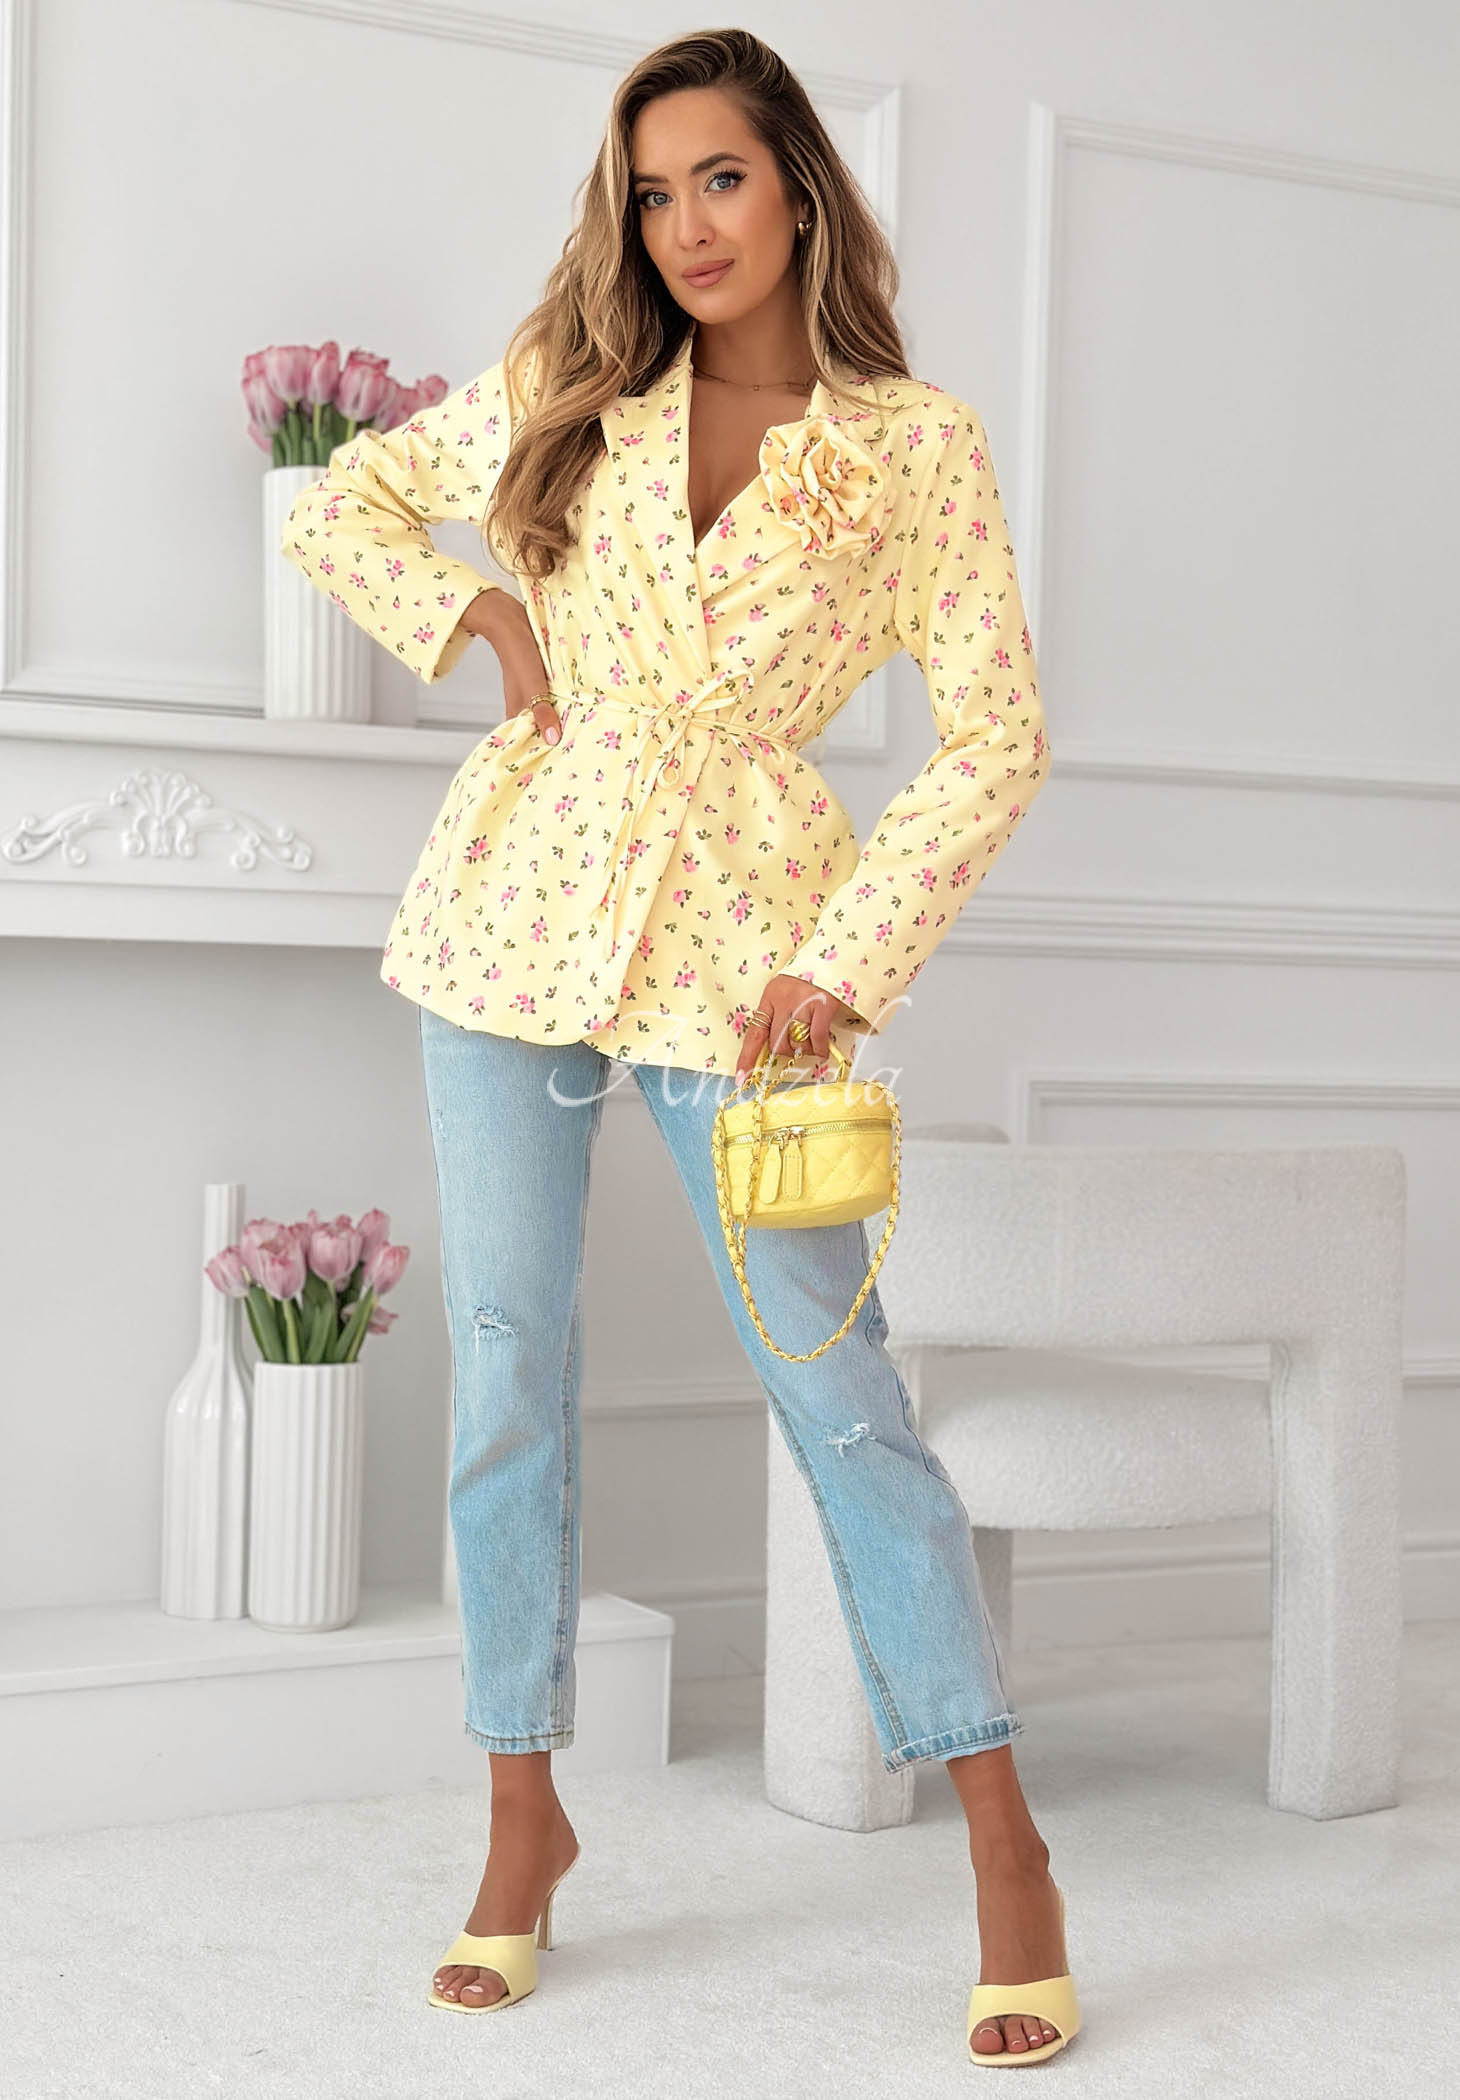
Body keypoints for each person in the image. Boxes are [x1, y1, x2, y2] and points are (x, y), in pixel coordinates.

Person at [280, 26, 1074, 2067]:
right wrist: (479, 623)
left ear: (795, 182)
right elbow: (346, 503)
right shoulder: (578, 388)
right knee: (508, 1372)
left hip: (753, 957)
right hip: (511, 924)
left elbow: (995, 738)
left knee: (837, 1388)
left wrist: (847, 958)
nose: (686, 225)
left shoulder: (913, 446)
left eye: (718, 177)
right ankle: (520, 1819)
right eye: (651, 192)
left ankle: (1004, 1844)